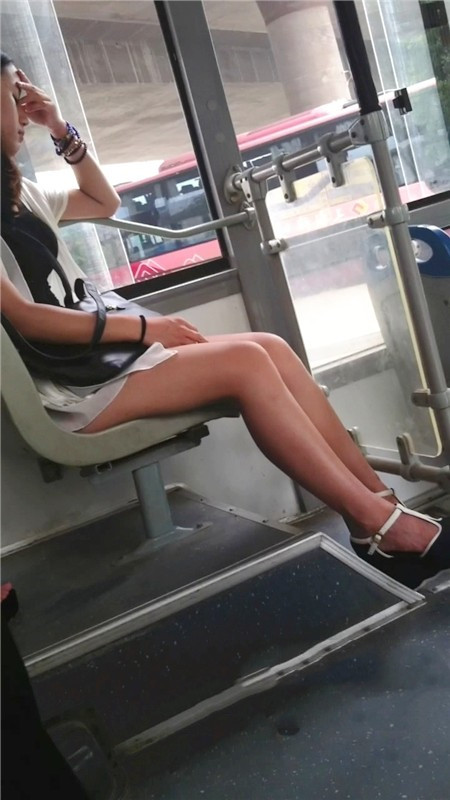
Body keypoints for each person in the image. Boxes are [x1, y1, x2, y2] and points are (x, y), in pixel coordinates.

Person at [1, 52, 449, 590]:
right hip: (70, 391)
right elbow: (25, 318)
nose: (24, 110)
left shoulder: (22, 194)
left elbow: (103, 200)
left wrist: (59, 128)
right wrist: (147, 330)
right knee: (245, 364)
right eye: (13, 97)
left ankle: (379, 512)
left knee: (271, 348)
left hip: (96, 364)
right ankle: (384, 528)